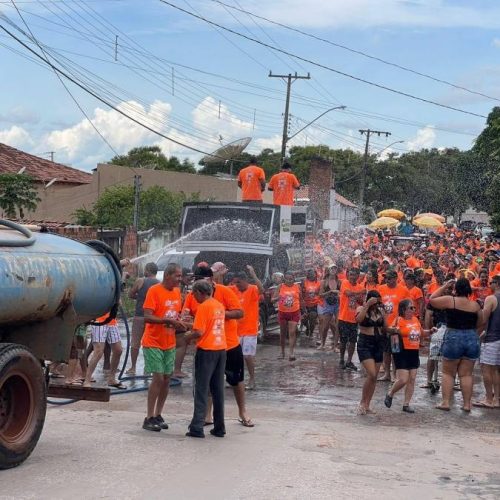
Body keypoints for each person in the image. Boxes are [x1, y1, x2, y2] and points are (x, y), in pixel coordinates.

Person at [141, 263, 186, 432]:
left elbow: (175, 314)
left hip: (169, 342)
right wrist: (167, 321)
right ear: (168, 276)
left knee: (167, 378)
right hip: (153, 341)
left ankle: (158, 414)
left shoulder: (176, 292)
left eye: (180, 276)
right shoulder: (154, 290)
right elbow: (147, 316)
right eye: (178, 276)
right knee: (158, 377)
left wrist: (181, 321)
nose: (180, 279)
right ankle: (149, 416)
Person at [430, 278, 482, 412]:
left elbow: (432, 299)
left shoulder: (450, 300)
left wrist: (444, 285)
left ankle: (446, 402)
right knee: (466, 374)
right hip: (471, 337)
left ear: (456, 289)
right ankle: (466, 404)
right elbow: (480, 322)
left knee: (448, 373)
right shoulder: (475, 305)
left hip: (453, 336)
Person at [184, 280, 227, 438]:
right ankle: (219, 427)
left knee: (201, 389)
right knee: (218, 390)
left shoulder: (203, 307)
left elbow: (199, 331)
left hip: (207, 350)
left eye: (194, 294)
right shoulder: (218, 305)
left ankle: (197, 427)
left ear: (200, 292)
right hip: (221, 348)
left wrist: (187, 336)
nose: (193, 297)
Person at [384, 299, 425, 413]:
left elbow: (422, 332)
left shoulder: (416, 319)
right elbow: (388, 330)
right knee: (403, 379)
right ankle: (390, 393)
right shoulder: (398, 320)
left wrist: (430, 331)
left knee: (412, 379)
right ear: (403, 309)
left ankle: (406, 404)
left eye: (414, 308)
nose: (413, 310)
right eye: (411, 308)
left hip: (414, 351)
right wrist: (395, 330)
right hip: (402, 351)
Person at [231, 266, 263, 391]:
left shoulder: (253, 289)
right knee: (233, 356)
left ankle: (252, 379)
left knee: (248, 356)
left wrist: (253, 273)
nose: (236, 285)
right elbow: (219, 288)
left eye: (238, 282)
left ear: (245, 280)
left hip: (250, 330)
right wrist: (219, 274)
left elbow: (262, 289)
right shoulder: (234, 289)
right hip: (236, 330)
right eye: (235, 282)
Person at [356, 290, 387, 415]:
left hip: (378, 343)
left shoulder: (380, 311)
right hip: (365, 344)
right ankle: (362, 402)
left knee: (374, 378)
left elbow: (385, 328)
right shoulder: (361, 308)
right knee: (372, 374)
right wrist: (367, 305)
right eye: (374, 300)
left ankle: (367, 404)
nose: (376, 303)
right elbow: (358, 319)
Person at [126, 262, 159, 376]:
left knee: (135, 342)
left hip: (140, 315)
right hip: (153, 318)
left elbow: (130, 294)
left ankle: (133, 367)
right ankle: (147, 368)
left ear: (148, 270)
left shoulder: (141, 281)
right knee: (150, 343)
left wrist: (140, 298)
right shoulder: (159, 284)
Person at [377, 269, 410, 381]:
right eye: (386, 278)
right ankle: (387, 373)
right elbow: (377, 305)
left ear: (396, 278)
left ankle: (395, 374)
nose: (388, 280)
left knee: (395, 350)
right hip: (384, 325)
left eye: (390, 278)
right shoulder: (381, 289)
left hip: (396, 326)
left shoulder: (403, 290)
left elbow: (408, 307)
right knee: (386, 351)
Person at [474, 275, 500, 408]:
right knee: (496, 370)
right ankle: (497, 399)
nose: (490, 284)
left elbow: (483, 319)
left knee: (487, 369)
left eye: (491, 283)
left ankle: (489, 399)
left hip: (492, 338)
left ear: (496, 284)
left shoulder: (491, 298)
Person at [83, 312, 124, 389]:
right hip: (99, 321)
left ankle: (111, 378)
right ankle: (87, 380)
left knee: (118, 350)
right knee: (98, 351)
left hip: (111, 321)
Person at [338, 268, 365, 370]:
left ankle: (349, 361)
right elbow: (348, 293)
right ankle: (341, 359)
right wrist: (359, 293)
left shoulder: (360, 286)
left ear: (358, 276)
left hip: (354, 319)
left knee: (353, 341)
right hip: (343, 317)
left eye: (354, 275)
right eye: (350, 274)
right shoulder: (344, 283)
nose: (352, 277)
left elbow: (361, 301)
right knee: (343, 341)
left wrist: (359, 294)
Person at [273, 271, 304, 361]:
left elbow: (301, 299)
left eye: (291, 279)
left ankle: (291, 353)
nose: (289, 281)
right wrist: (277, 298)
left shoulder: (297, 287)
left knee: (292, 332)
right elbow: (272, 300)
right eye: (287, 279)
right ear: (284, 279)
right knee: (283, 333)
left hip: (294, 312)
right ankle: (282, 352)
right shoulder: (280, 287)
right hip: (282, 312)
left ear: (294, 279)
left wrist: (304, 311)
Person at [317, 266, 341, 351]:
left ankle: (335, 346)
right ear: (329, 270)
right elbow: (320, 295)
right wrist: (330, 292)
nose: (333, 270)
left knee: (338, 325)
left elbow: (342, 293)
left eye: (335, 268)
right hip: (327, 305)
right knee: (325, 326)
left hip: (337, 305)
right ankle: (322, 343)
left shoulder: (339, 281)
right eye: (332, 268)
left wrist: (338, 293)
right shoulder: (324, 282)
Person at [301, 269, 321, 340]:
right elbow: (301, 293)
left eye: (313, 274)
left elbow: (320, 293)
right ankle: (307, 327)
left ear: (315, 275)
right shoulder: (304, 282)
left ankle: (311, 332)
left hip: (315, 304)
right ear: (308, 275)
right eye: (310, 274)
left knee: (312, 318)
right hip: (305, 304)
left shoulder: (318, 283)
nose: (312, 275)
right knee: (304, 319)